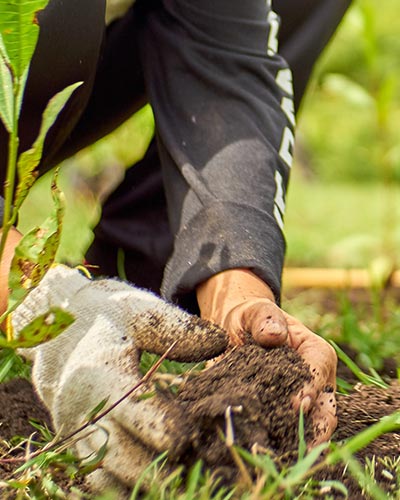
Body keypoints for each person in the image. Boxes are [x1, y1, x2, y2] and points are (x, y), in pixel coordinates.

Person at [0, 0, 352, 492]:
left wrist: (239, 293)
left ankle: (139, 264)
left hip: (73, 73)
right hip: (29, 60)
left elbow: (225, 60)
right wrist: (45, 304)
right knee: (61, 16)